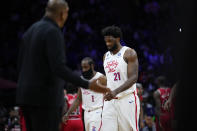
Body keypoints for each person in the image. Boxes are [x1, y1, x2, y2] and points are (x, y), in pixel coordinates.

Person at [16, 0, 109, 131]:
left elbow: (20, 65)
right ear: (62, 14)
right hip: (44, 99)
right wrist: (87, 84)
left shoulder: (30, 31)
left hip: (24, 97)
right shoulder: (53, 31)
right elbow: (58, 68)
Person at [100, 26, 140, 131]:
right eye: (106, 41)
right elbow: (110, 78)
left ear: (118, 39)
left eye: (110, 41)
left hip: (127, 100)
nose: (107, 43)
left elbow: (134, 78)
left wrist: (115, 91)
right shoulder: (106, 56)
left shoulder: (129, 52)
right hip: (110, 102)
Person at [63, 57, 106, 131]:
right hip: (86, 114)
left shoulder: (101, 78)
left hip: (97, 112)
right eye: (82, 68)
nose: (83, 70)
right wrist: (67, 113)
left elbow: (109, 94)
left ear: (92, 66)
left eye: (86, 67)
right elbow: (78, 99)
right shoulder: (82, 79)